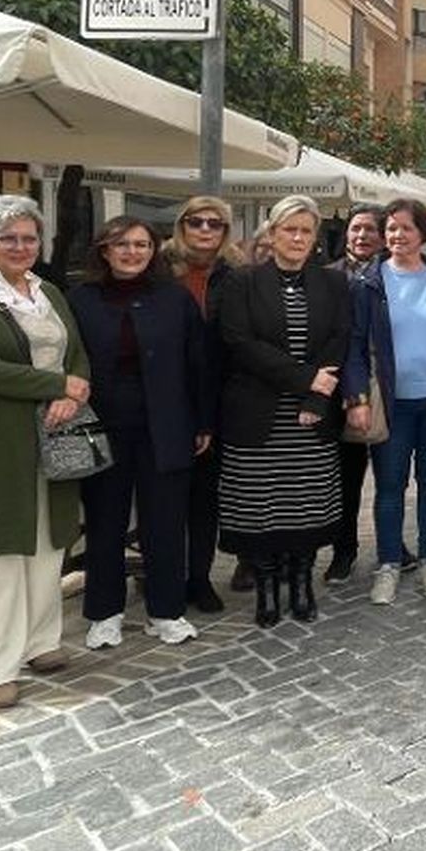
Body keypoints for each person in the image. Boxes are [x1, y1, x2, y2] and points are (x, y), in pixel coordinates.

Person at [0, 196, 91, 709]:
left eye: (29, 237)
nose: (20, 247)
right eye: (6, 237)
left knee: (44, 543)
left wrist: (74, 389)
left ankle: (39, 640)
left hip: (52, 438)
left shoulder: (47, 290)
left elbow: (76, 352)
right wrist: (54, 384)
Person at [69, 216, 208, 649]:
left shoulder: (174, 298)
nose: (133, 252)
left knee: (164, 522)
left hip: (165, 424)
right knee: (105, 522)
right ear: (104, 251)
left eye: (142, 245)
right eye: (123, 244)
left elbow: (198, 362)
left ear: (154, 251)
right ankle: (104, 613)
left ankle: (165, 612)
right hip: (102, 425)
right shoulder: (80, 300)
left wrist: (203, 421)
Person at [217, 196, 350, 629]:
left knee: (305, 508)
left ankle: (302, 584)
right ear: (271, 234)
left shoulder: (332, 284)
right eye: (288, 229)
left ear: (315, 239)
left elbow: (338, 341)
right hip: (258, 416)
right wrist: (303, 379)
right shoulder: (242, 282)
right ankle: (268, 588)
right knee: (260, 508)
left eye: (306, 231)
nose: (297, 238)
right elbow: (239, 343)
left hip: (310, 419)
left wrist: (315, 398)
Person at [343, 199, 426, 605]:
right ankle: (389, 563)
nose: (397, 236)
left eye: (406, 229)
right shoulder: (368, 282)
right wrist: (356, 398)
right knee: (390, 486)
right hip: (391, 405)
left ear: (423, 234)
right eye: (391, 228)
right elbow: (354, 347)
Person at [163, 195, 246, 613]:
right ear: (183, 225)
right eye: (197, 222)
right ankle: (166, 578)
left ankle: (199, 577)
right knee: (165, 499)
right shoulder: (158, 267)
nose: (206, 230)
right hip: (163, 397)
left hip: (215, 398)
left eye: (216, 224)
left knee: (205, 498)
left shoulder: (235, 273)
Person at [324, 204, 400, 584]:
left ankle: (392, 543)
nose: (363, 236)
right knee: (347, 478)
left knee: (392, 476)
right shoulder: (326, 277)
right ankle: (344, 549)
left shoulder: (396, 275)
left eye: (372, 229)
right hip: (339, 392)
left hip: (387, 388)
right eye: (356, 228)